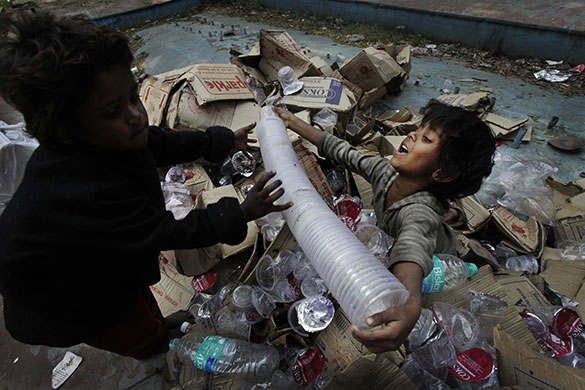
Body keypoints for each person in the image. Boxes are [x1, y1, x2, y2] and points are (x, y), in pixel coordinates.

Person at [0, 11, 291, 359]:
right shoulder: (80, 191)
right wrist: (243, 211)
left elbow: (158, 142)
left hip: (94, 260)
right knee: (124, 322)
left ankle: (154, 325)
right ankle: (154, 344)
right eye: (112, 111)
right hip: (66, 296)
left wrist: (223, 139)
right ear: (67, 128)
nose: (136, 114)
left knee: (133, 293)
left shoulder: (108, 138)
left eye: (133, 96)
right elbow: (168, 233)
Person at [274, 101, 495, 353]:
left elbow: (411, 249)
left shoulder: (419, 212)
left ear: (442, 173)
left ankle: (451, 216)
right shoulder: (385, 172)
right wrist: (294, 122)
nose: (412, 134)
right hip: (392, 238)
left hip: (436, 263)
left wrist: (410, 303)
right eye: (418, 128)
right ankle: (451, 212)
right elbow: (344, 152)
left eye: (426, 138)